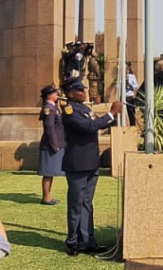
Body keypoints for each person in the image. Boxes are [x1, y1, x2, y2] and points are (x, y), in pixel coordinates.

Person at [61, 76, 122, 257]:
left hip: (90, 163)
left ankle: (87, 240)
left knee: (87, 204)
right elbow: (89, 127)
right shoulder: (70, 111)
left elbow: (95, 125)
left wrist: (111, 119)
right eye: (80, 90)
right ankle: (73, 241)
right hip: (77, 165)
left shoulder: (85, 109)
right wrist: (111, 114)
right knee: (76, 205)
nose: (84, 92)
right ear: (72, 93)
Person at [38, 84, 66, 205]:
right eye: (55, 93)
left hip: (55, 144)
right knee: (48, 172)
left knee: (51, 172)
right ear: (49, 95)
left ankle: (48, 195)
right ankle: (46, 197)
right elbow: (49, 128)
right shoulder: (48, 108)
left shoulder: (54, 107)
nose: (57, 95)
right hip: (50, 145)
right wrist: (54, 145)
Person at [125, 62, 139, 127]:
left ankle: (132, 126)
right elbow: (117, 86)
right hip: (123, 96)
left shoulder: (132, 76)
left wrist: (130, 84)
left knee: (131, 113)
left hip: (130, 97)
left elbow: (136, 86)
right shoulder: (121, 76)